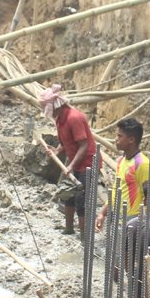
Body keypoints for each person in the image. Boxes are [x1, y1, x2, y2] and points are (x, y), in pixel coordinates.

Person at [40, 85, 97, 236]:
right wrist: (57, 150)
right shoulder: (60, 119)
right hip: (74, 162)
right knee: (68, 195)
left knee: (81, 199)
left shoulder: (74, 118)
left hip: (88, 163)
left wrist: (71, 166)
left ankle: (85, 234)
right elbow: (66, 142)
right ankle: (69, 228)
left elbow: (84, 145)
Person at [95, 117, 150, 230]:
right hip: (117, 219)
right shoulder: (122, 160)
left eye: (120, 136)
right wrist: (102, 213)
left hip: (133, 222)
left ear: (131, 140)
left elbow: (149, 197)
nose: (116, 139)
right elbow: (116, 190)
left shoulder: (142, 164)